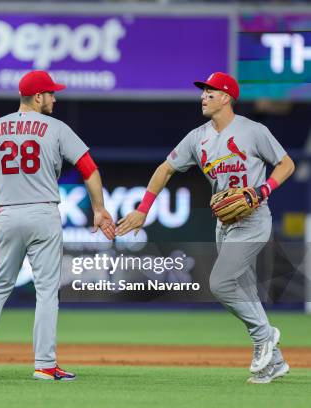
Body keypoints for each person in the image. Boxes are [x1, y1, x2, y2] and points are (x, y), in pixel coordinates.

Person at [116, 72, 295, 384]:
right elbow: (165, 169)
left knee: (222, 283)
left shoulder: (253, 131)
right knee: (246, 289)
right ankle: (273, 363)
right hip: (224, 223)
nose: (203, 97)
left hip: (252, 219)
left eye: (210, 92)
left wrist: (262, 190)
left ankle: (266, 336)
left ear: (226, 97)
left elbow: (286, 164)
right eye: (203, 92)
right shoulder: (197, 137)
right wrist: (143, 209)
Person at [0, 70, 115, 381]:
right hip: (43, 213)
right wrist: (98, 209)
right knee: (46, 292)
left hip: (7, 216)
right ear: (37, 97)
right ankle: (45, 365)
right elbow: (88, 168)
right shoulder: (56, 128)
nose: (54, 98)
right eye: (50, 94)